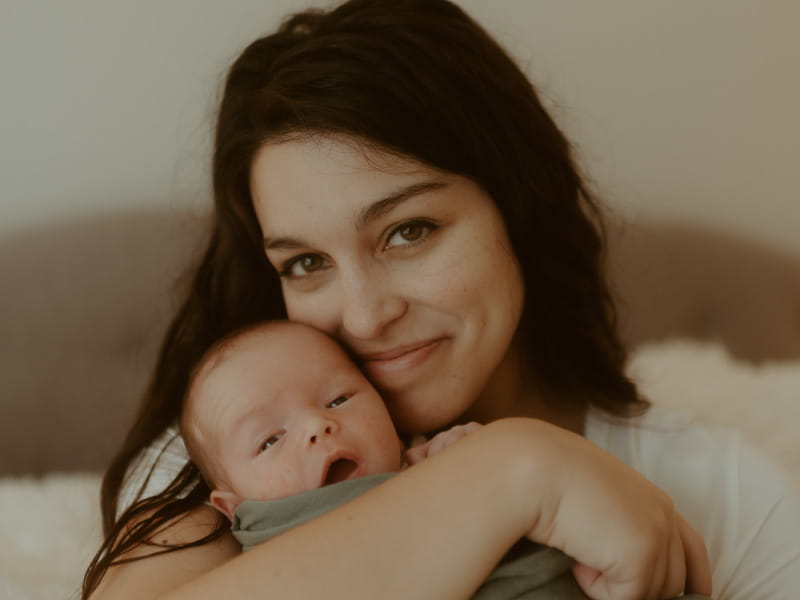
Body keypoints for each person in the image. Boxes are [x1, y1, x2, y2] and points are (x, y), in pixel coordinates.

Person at [82, 0, 800, 599]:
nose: (363, 317)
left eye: (408, 231)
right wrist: (516, 471)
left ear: (519, 207)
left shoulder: (728, 495)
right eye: (306, 262)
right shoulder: (231, 454)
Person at [180, 319, 601, 599]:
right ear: (231, 507)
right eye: (270, 440)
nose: (316, 425)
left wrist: (466, 457)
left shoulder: (437, 464)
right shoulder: (264, 560)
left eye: (339, 399)